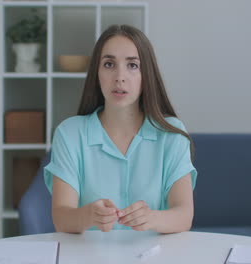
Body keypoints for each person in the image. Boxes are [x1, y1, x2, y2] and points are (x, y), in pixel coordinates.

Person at [44, 24, 197, 234]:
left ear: (146, 74)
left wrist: (152, 218)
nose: (119, 77)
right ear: (96, 73)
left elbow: (184, 215)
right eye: (109, 64)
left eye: (132, 65)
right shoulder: (69, 134)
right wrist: (88, 216)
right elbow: (61, 218)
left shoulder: (171, 133)